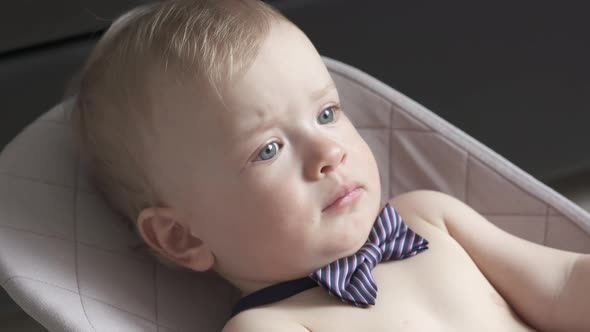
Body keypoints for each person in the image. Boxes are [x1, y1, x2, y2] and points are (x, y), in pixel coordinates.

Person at [69, 0, 590, 331]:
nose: (329, 153)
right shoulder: (269, 328)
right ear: (182, 236)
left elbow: (564, 283)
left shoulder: (427, 217)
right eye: (268, 149)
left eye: (326, 114)